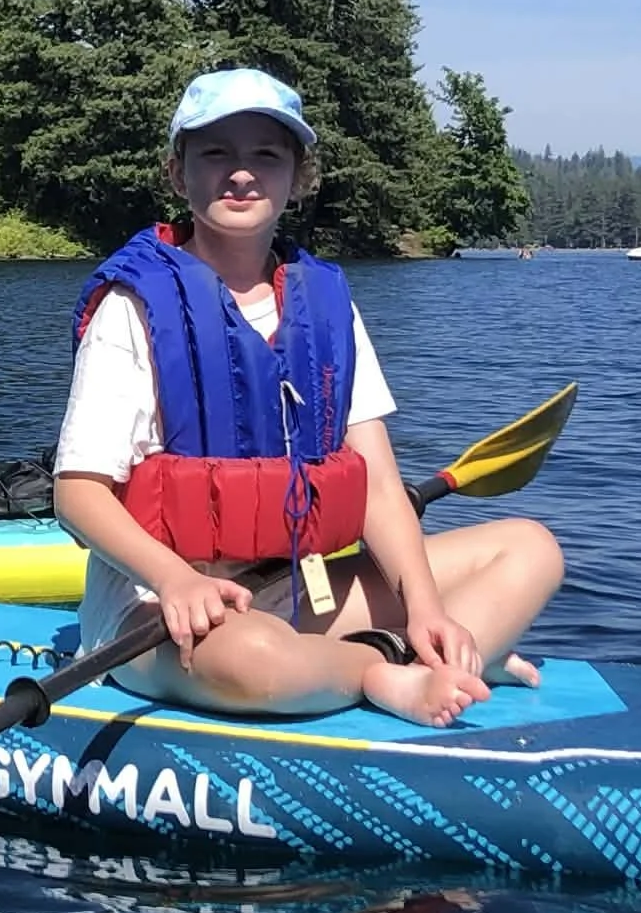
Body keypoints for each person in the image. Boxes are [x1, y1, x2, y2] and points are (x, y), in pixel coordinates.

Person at [52, 69, 564, 728]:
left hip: (300, 588)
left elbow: (378, 484)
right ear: (178, 174)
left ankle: (422, 650)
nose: (242, 174)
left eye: (266, 155)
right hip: (163, 609)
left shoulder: (325, 305)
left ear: (297, 177)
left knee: (529, 550)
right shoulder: (131, 308)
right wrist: (178, 579)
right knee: (258, 664)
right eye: (216, 154)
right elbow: (77, 494)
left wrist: (427, 608)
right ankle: (387, 672)